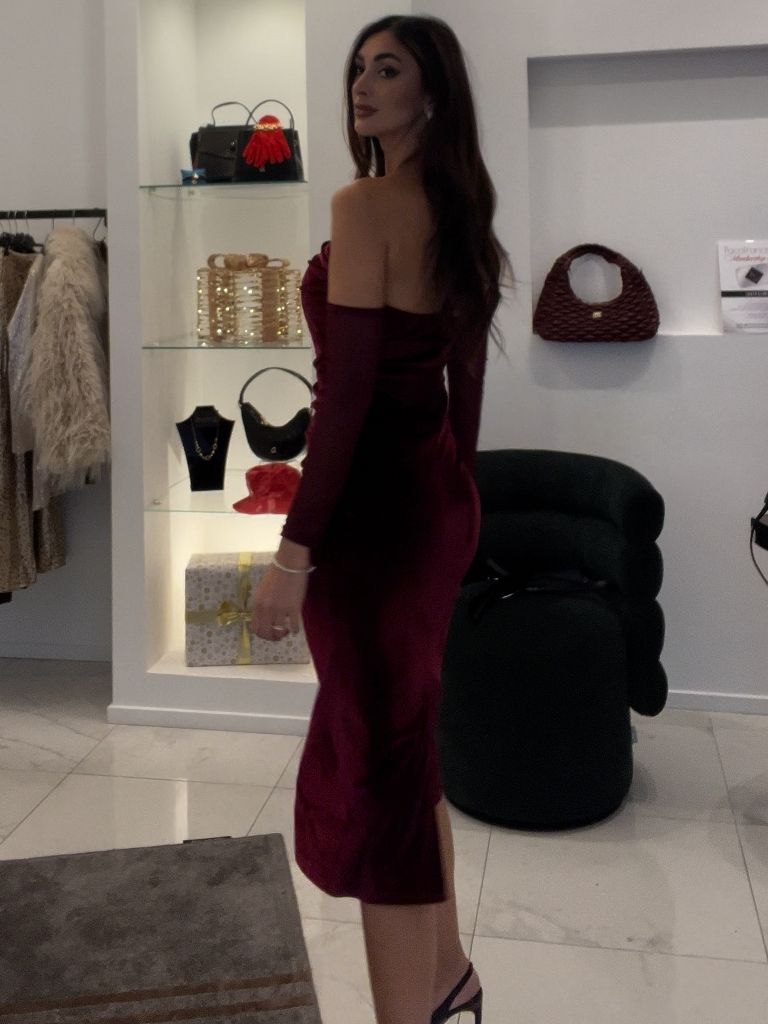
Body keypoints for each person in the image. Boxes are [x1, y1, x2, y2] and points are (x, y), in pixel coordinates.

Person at [250, 14, 512, 1024]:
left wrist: (294, 553)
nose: (362, 85)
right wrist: (461, 496)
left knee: (380, 771)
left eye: (389, 70)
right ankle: (448, 977)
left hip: (372, 526)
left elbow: (347, 395)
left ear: (431, 94)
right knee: (408, 751)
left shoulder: (363, 206)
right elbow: (463, 383)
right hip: (432, 507)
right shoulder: (461, 206)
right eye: (358, 67)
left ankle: (411, 1010)